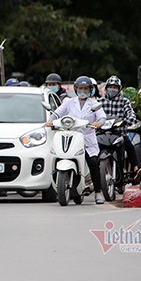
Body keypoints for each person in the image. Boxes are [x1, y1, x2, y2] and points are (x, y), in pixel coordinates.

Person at [45, 75, 107, 204]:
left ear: (90, 90)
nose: (83, 91)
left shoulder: (94, 104)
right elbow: (57, 113)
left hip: (87, 138)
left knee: (93, 163)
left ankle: (98, 192)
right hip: (71, 136)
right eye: (80, 88)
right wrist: (50, 121)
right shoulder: (69, 102)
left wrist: (97, 123)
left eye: (85, 88)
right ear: (76, 89)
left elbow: (102, 118)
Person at [99, 75, 141, 185]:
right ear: (106, 88)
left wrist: (127, 120)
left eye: (115, 87)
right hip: (102, 133)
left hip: (119, 133)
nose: (112, 89)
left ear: (119, 89)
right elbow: (92, 114)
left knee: (129, 145)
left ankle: (135, 168)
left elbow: (131, 114)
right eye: (110, 87)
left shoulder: (124, 102)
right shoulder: (100, 102)